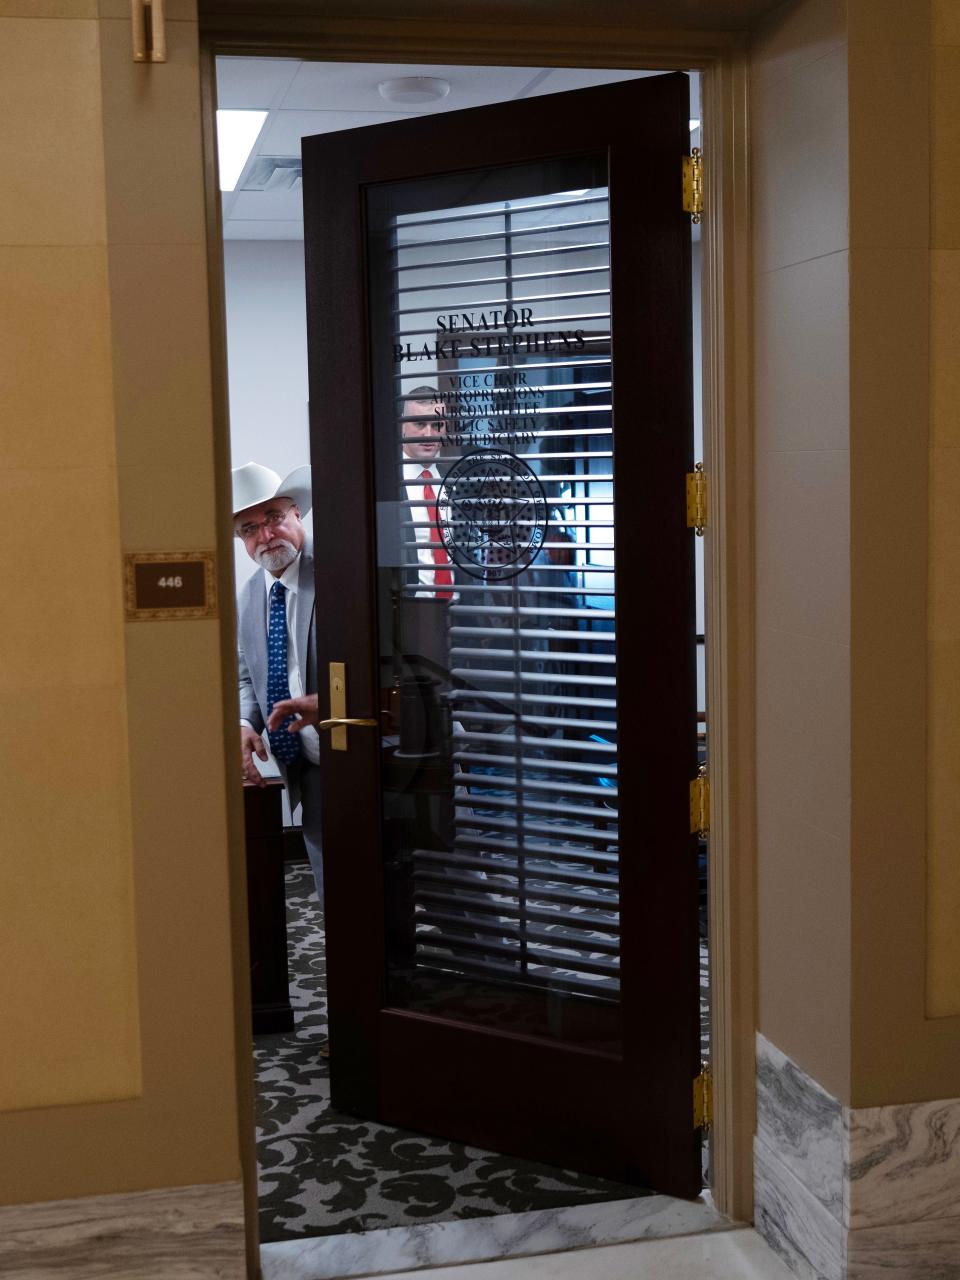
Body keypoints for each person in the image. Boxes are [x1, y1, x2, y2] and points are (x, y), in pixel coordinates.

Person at [233, 462, 325, 904]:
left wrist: (324, 703)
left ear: (297, 514)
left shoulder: (344, 571)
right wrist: (244, 724)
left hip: (375, 757)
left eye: (273, 518)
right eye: (251, 528)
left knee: (439, 884)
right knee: (339, 898)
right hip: (310, 771)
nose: (266, 536)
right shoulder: (250, 594)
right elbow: (247, 674)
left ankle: (494, 969)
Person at [400, 386, 454, 596]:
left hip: (459, 613)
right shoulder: (386, 484)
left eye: (436, 424)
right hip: (414, 615)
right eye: (420, 424)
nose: (428, 434)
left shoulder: (456, 480)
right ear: (403, 426)